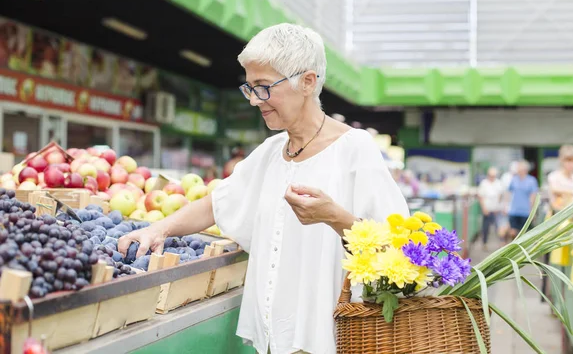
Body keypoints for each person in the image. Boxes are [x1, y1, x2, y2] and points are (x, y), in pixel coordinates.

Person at [118, 23, 409, 354]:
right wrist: (159, 229)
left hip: (331, 339)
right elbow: (218, 203)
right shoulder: (271, 152)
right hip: (271, 343)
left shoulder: (354, 149)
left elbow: (395, 249)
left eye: (263, 87)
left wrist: (334, 216)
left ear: (308, 82)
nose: (255, 100)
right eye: (250, 88)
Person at [547, 145, 573, 212]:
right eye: (568, 160)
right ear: (562, 160)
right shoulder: (554, 176)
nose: (571, 164)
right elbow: (554, 189)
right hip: (557, 214)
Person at [507, 160, 539, 239]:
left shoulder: (531, 181)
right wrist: (506, 206)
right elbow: (509, 193)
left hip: (525, 212)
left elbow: (533, 197)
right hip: (514, 211)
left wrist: (533, 211)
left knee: (524, 235)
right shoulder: (514, 179)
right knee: (513, 233)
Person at [477, 167, 504, 250]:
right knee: (486, 228)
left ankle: (501, 242)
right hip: (487, 209)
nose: (492, 177)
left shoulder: (498, 183)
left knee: (498, 227)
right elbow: (480, 196)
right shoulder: (484, 183)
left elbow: (500, 195)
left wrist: (498, 206)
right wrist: (484, 208)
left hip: (495, 209)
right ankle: (484, 243)